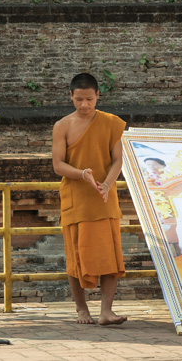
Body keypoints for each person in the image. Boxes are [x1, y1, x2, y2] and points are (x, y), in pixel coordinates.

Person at [51, 73, 127, 325]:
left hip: (104, 197)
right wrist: (81, 174)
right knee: (76, 257)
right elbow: (58, 165)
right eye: (79, 99)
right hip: (76, 198)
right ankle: (82, 309)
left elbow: (118, 159)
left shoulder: (111, 123)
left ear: (98, 96)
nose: (84, 105)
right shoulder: (62, 126)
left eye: (90, 99)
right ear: (70, 96)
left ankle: (107, 311)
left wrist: (107, 183)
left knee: (110, 258)